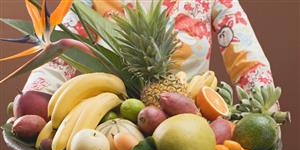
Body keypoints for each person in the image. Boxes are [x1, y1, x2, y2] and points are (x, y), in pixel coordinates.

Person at [23, 0, 276, 106]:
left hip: (194, 119)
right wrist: (36, 98)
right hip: (113, 120)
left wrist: (265, 109)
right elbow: (61, 48)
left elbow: (246, 56)